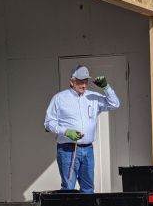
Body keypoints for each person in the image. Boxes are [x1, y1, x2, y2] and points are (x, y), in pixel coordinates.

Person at [44, 65, 120, 193]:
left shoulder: (93, 97)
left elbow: (114, 104)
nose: (84, 85)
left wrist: (106, 88)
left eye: (86, 81)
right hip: (68, 149)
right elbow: (48, 123)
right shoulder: (59, 98)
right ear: (72, 81)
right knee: (68, 188)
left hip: (88, 149)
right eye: (80, 82)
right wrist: (66, 132)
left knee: (88, 188)